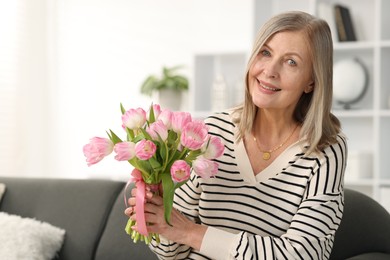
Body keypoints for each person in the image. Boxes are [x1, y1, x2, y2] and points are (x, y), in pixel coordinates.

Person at [125, 11, 347, 259]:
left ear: (312, 81)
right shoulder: (213, 131)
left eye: (291, 62)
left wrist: (191, 232)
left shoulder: (326, 149)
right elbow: (171, 252)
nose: (269, 71)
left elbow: (304, 254)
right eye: (265, 53)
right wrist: (158, 215)